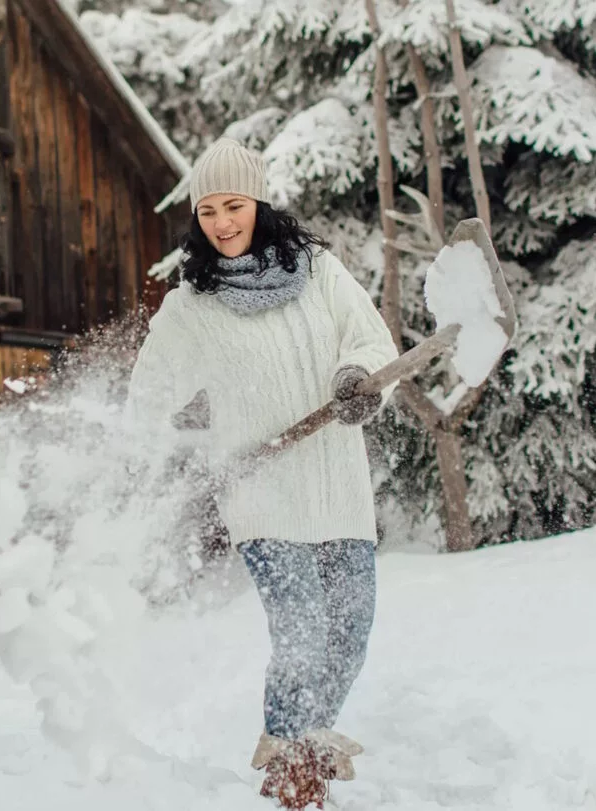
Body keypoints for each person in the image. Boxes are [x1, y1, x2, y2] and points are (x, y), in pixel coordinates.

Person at [127, 138, 398, 798]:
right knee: (302, 628)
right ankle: (290, 768)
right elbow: (150, 390)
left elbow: (369, 341)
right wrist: (134, 453)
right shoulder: (193, 306)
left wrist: (357, 379)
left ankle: (309, 737)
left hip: (338, 487)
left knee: (349, 632)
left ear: (260, 204)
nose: (222, 222)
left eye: (234, 205)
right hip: (262, 496)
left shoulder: (322, 274)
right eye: (209, 210)